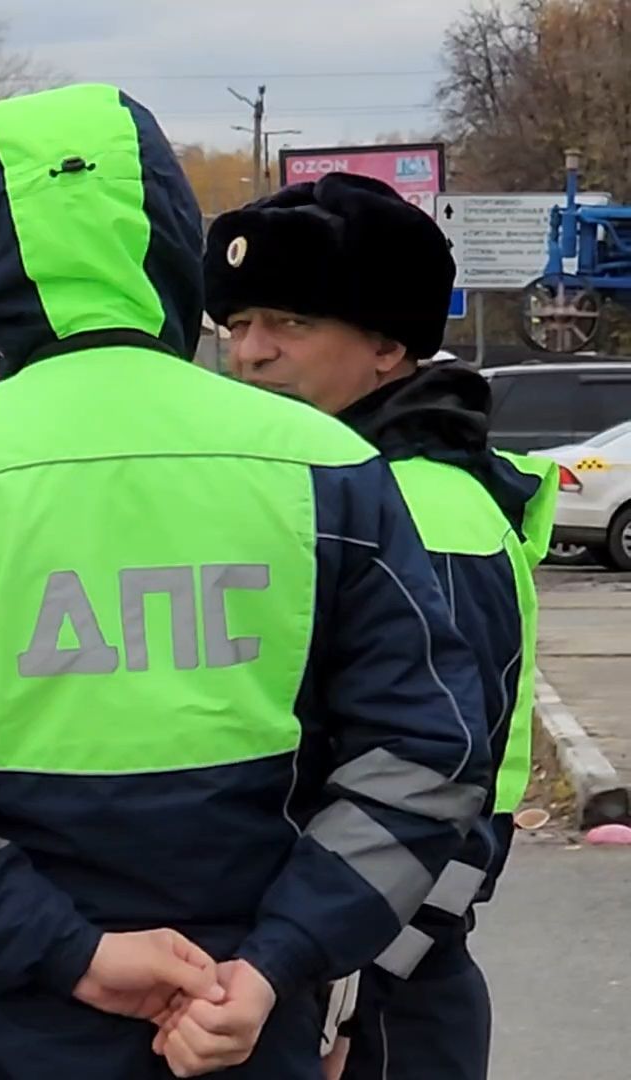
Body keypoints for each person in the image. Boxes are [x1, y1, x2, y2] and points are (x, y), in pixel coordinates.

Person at [0, 82, 490, 1079]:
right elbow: (427, 754)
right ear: (170, 234)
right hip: (247, 1021)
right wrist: (277, 961)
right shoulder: (322, 462)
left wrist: (71, 955)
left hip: (12, 1031)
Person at [206, 173, 558, 1080]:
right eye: (236, 325)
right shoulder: (323, 487)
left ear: (389, 347)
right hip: (300, 972)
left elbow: (451, 795)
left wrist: (347, 996)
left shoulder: (424, 512)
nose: (251, 354)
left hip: (375, 999)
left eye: (289, 323)